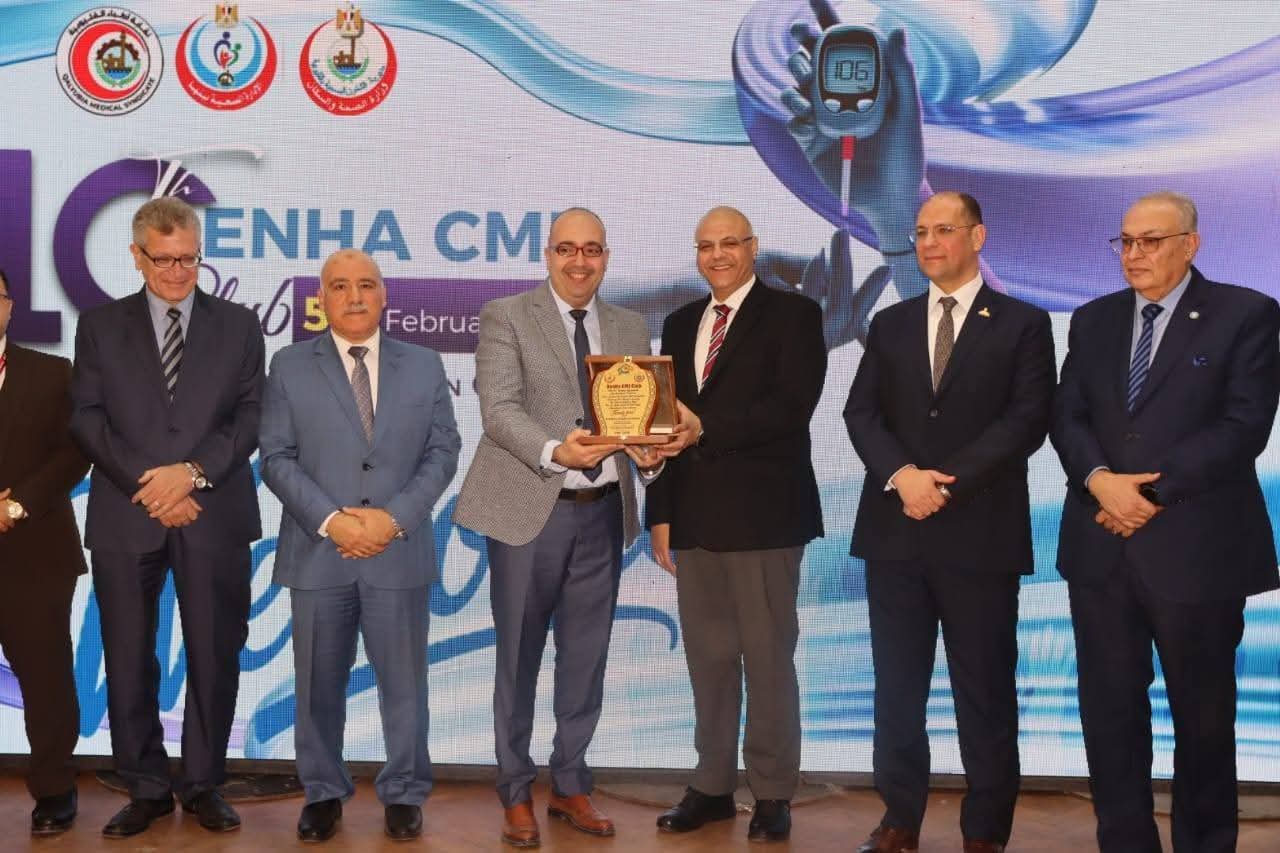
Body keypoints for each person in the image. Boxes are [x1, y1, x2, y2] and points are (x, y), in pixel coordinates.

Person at [1052, 191, 1280, 853]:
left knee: (1203, 717)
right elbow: (1068, 416)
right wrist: (1100, 481)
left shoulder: (1246, 314)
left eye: (1150, 241)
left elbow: (1244, 425)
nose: (1134, 254)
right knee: (1109, 713)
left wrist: (1147, 494)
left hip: (1197, 550)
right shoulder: (1092, 319)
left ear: (1190, 244)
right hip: (1100, 547)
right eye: (1125, 241)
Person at [843, 192, 1056, 853]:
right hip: (895, 533)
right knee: (897, 689)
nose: (929, 243)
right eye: (920, 232)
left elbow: (1026, 420)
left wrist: (944, 483)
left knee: (984, 691)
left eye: (944, 230)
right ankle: (898, 818)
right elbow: (861, 414)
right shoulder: (891, 323)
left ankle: (985, 830)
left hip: (979, 537)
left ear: (978, 236)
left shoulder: (1022, 322)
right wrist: (902, 476)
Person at [453, 207, 660, 848]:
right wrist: (554, 452)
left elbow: (638, 421)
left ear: (606, 257)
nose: (579, 261)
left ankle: (570, 783)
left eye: (591, 249)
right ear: (547, 255)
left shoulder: (629, 326)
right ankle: (515, 791)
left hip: (603, 516)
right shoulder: (506, 315)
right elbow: (499, 410)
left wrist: (650, 454)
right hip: (528, 513)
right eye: (567, 248)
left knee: (586, 659)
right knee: (518, 661)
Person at [69, 196, 264, 838]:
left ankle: (205, 784)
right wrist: (152, 485)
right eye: (164, 260)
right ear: (137, 256)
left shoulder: (239, 325)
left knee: (214, 654)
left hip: (214, 509)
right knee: (128, 658)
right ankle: (146, 786)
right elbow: (87, 418)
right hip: (129, 513)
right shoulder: (100, 326)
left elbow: (250, 416)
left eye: (189, 258)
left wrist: (193, 474)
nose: (178, 272)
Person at [259, 249, 460, 842]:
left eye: (366, 285)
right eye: (340, 286)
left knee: (404, 688)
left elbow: (443, 450)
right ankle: (322, 791)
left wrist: (392, 520)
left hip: (397, 551)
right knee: (317, 686)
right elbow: (276, 457)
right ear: (321, 298)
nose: (354, 296)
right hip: (318, 551)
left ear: (384, 295)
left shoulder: (423, 364)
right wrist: (333, 521)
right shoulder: (289, 365)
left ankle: (404, 792)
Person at [646, 206, 826, 844]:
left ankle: (773, 792)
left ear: (753, 247)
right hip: (694, 520)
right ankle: (713, 785)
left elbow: (790, 408)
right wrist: (661, 513)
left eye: (729, 243)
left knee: (768, 661)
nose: (717, 255)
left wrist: (706, 428)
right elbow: (664, 422)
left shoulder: (795, 316)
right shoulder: (679, 323)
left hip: (765, 519)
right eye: (706, 246)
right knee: (710, 661)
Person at [0, 268, 90, 836]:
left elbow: (74, 453)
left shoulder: (53, 373)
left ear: (10, 306)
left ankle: (54, 788)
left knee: (46, 679)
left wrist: (16, 504)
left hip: (34, 550)